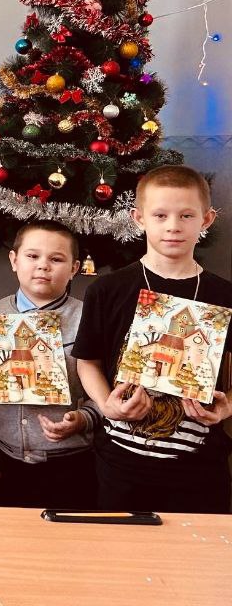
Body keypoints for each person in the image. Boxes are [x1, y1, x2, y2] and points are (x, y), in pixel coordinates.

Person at [75, 165, 232, 514]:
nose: (173, 226)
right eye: (160, 215)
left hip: (199, 466)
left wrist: (228, 406)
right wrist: (105, 404)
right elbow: (88, 361)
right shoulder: (108, 289)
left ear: (206, 220)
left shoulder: (224, 295)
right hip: (121, 463)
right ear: (139, 218)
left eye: (186, 215)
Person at [0, 220, 97, 509]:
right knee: (11, 531)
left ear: (74, 268)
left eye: (56, 259)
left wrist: (85, 418)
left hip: (71, 461)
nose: (43, 265)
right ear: (14, 260)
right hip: (6, 456)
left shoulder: (88, 319)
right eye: (32, 256)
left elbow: (108, 389)